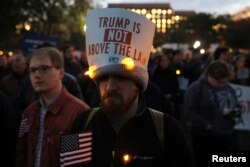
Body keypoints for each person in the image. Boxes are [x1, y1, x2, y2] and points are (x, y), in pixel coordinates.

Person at [64, 8, 194, 167]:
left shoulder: (168, 130)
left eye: (121, 77)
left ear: (137, 85)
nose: (110, 86)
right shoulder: (81, 123)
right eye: (103, 78)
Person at [16, 47, 90, 167]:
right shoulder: (28, 113)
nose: (37, 75)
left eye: (44, 68)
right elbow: (21, 155)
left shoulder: (78, 113)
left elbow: (78, 162)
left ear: (61, 72)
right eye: (33, 70)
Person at [184, 60, 242, 166]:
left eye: (224, 82)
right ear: (209, 75)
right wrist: (207, 125)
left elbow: (236, 103)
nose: (222, 85)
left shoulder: (227, 87)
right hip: (205, 138)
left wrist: (236, 110)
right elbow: (189, 111)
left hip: (226, 135)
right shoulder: (196, 88)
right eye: (219, 82)